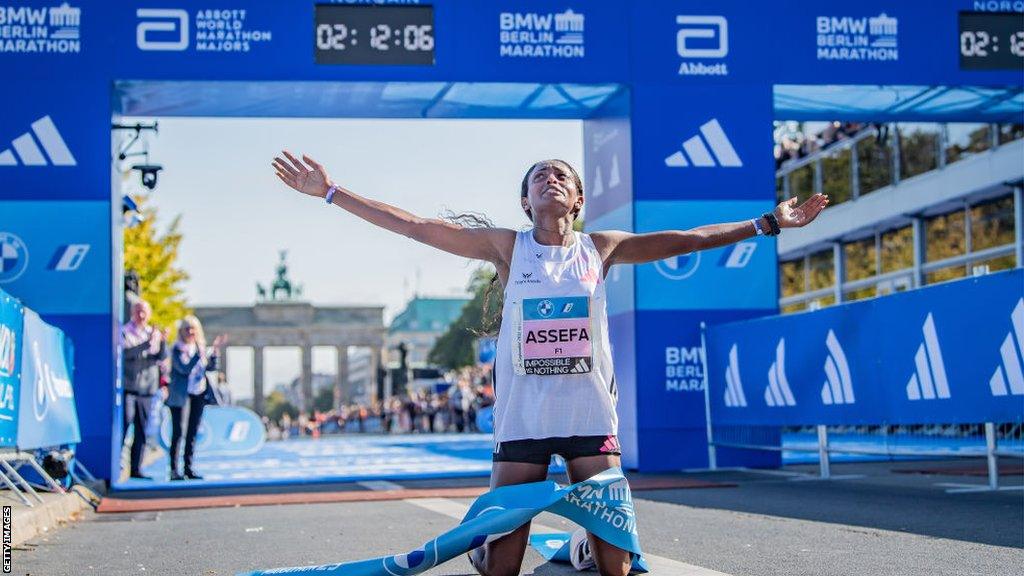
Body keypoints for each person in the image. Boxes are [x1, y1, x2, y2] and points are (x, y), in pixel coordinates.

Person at [272, 151, 828, 576]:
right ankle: (490, 548)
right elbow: (415, 227)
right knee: (502, 568)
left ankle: (585, 544)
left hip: (590, 420)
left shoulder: (600, 248)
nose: (551, 179)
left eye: (561, 174)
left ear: (578, 200)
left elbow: (684, 239)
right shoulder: (508, 247)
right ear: (525, 203)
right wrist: (331, 192)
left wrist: (766, 224)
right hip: (525, 423)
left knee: (617, 569)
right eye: (539, 176)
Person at [168, 315, 226, 480]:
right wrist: (197, 355)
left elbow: (210, 368)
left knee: (193, 432)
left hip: (198, 393)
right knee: (179, 432)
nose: (190, 332)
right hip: (181, 395)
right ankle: (173, 469)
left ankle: (188, 468)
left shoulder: (199, 348)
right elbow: (184, 369)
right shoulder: (177, 349)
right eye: (187, 328)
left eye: (193, 328)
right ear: (181, 331)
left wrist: (214, 353)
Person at [120, 300, 167, 480]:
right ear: (132, 312)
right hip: (130, 387)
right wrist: (146, 344)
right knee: (124, 425)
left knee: (142, 430)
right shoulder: (125, 331)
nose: (141, 315)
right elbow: (126, 354)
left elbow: (161, 358)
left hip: (148, 389)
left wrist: (161, 342)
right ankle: (117, 465)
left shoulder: (152, 333)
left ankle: (136, 468)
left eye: (144, 312)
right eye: (138, 311)